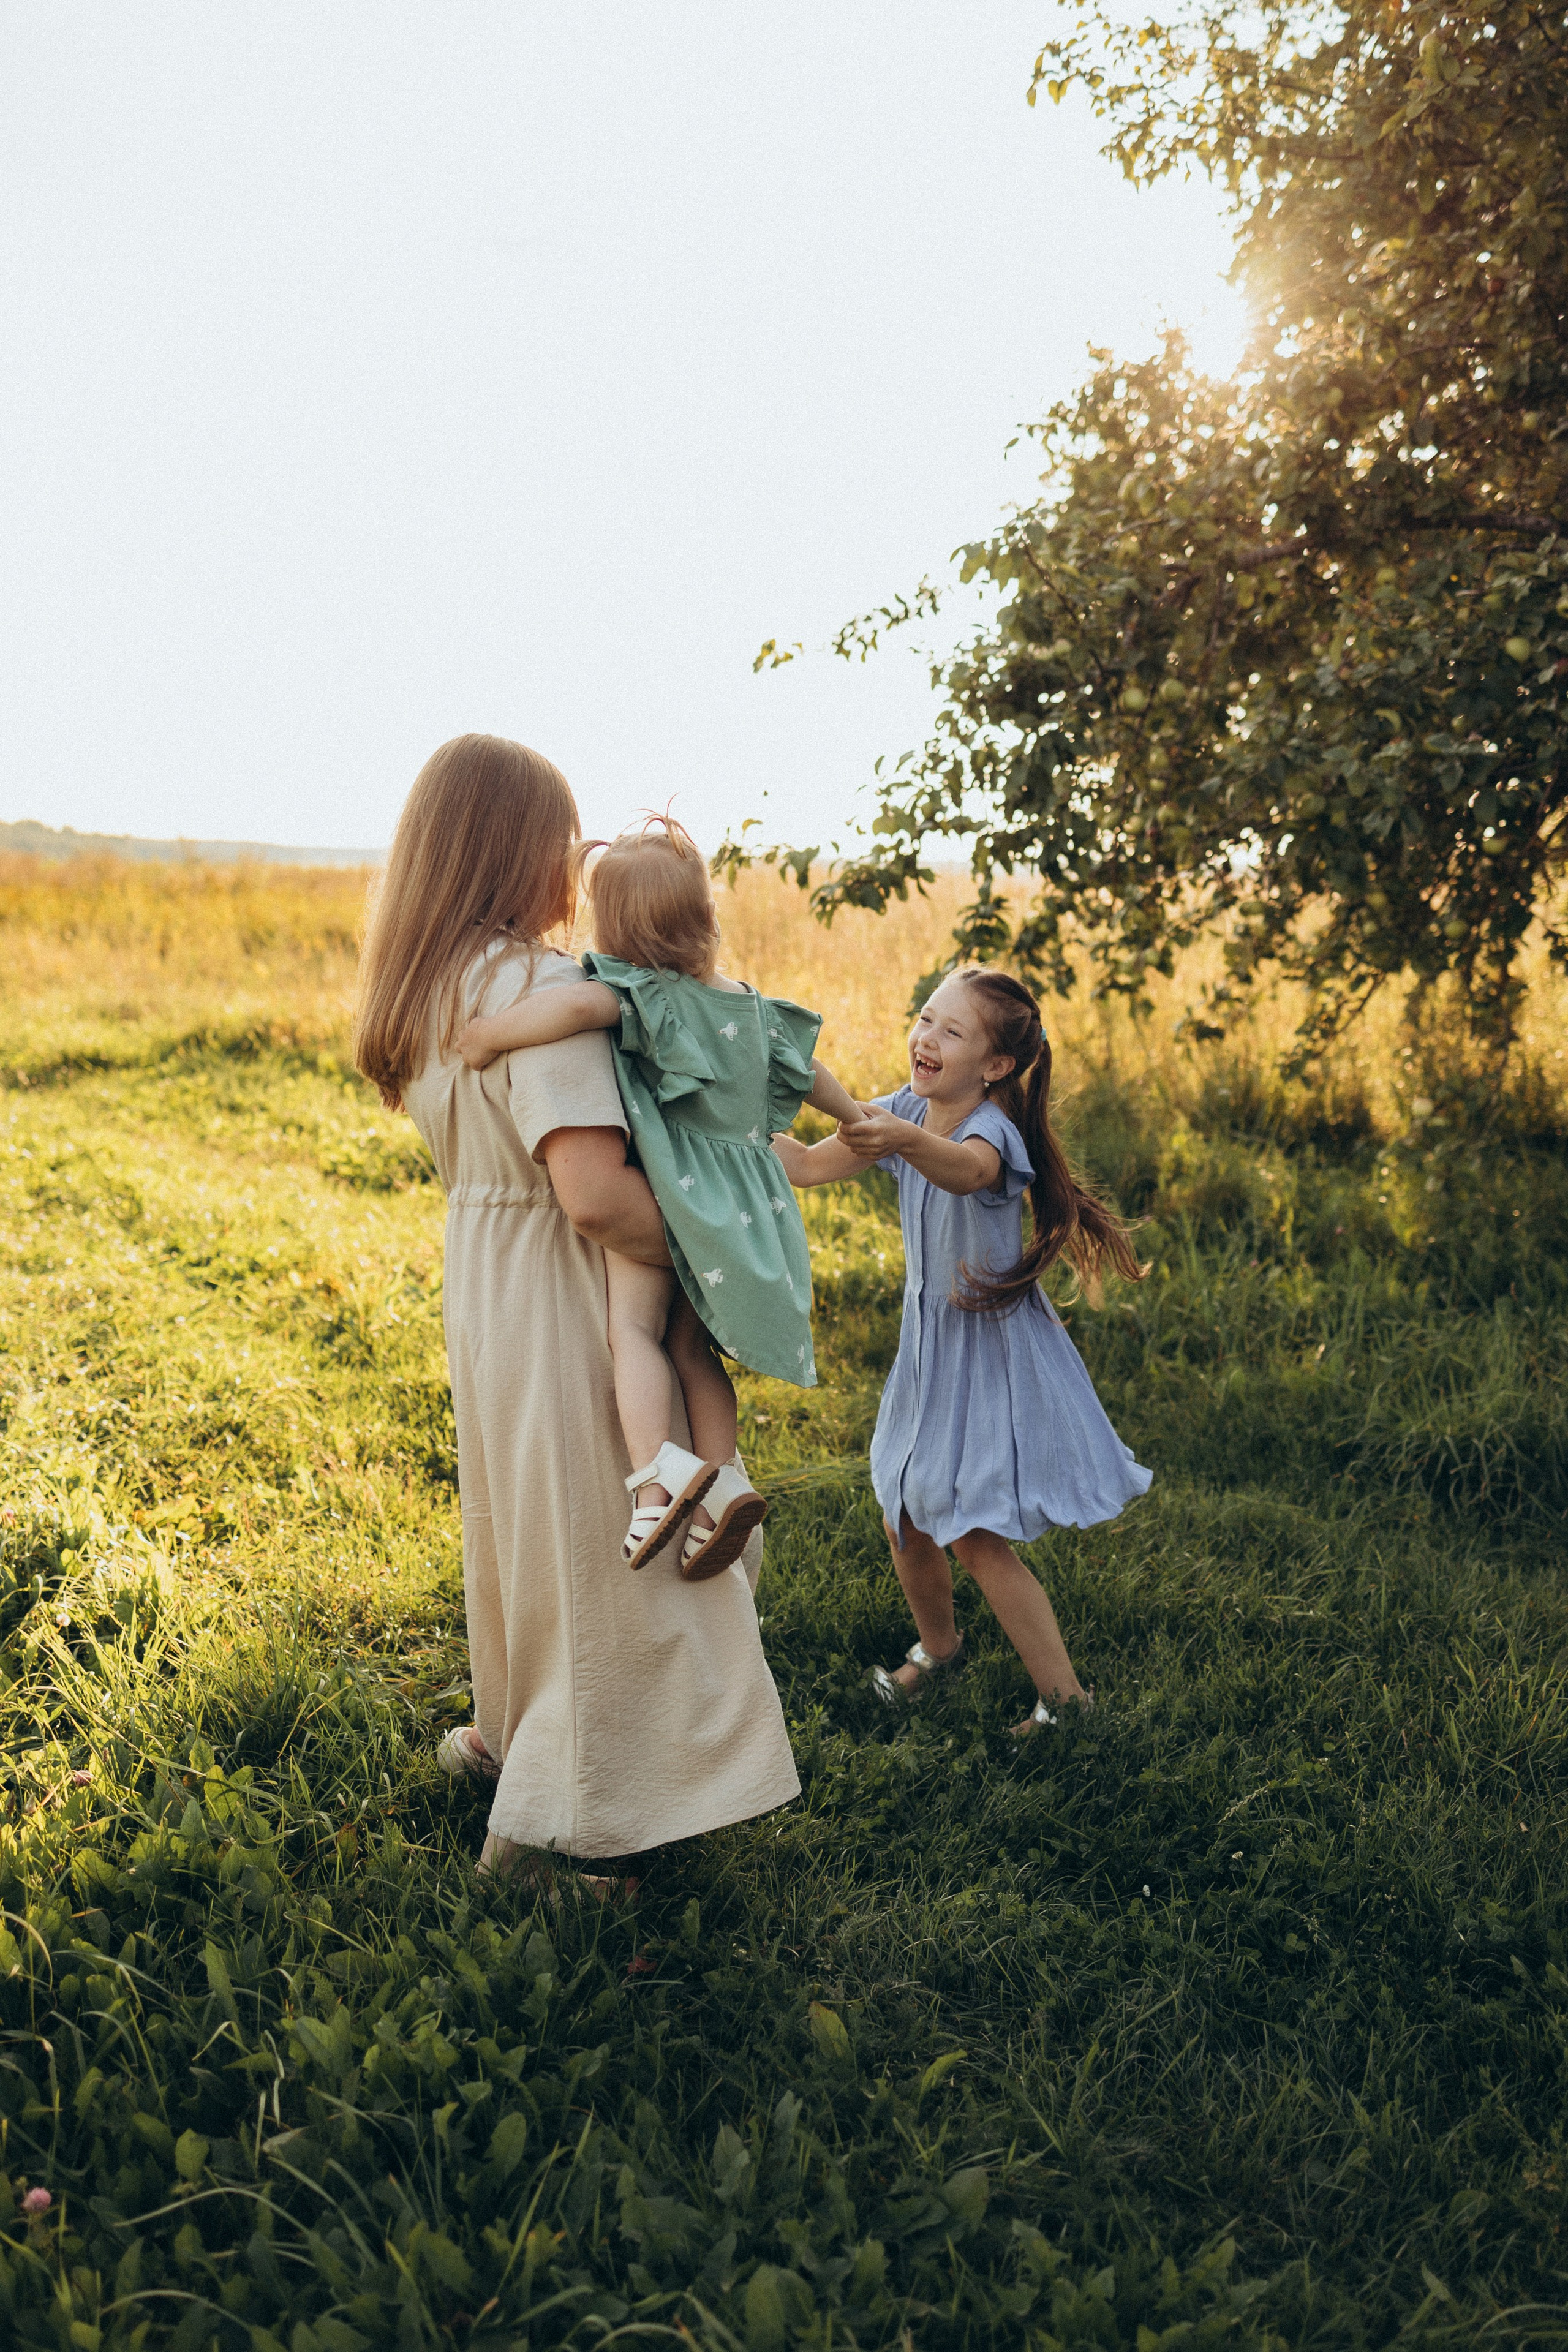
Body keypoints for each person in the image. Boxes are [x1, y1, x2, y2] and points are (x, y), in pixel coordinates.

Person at [353, 736, 799, 1884]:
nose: (576, 853)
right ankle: (575, 1829)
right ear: (511, 847)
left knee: (525, 1527)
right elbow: (597, 1199)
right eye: (561, 832)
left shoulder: (433, 984)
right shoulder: (544, 989)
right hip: (563, 1284)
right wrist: (730, 1239)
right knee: (619, 1570)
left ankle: (513, 1734)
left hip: (485, 1274)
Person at [458, 816, 865, 1578]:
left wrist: (492, 1036)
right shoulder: (748, 1005)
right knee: (693, 1347)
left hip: (672, 1194)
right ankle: (728, 1476)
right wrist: (855, 1118)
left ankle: (659, 1477)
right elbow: (808, 1072)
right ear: (707, 920)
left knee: (636, 1336)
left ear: (612, 934)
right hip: (745, 1209)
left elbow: (574, 1010)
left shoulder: (642, 994)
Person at [772, 965, 1150, 1735]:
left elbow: (963, 1173)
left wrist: (900, 1135)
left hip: (988, 1354)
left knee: (972, 1531)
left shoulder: (988, 1132)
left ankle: (1067, 1704)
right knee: (903, 1515)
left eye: (951, 1031)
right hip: (927, 1350)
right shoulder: (909, 1107)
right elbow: (808, 1166)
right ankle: (941, 1652)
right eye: (924, 1018)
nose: (926, 1037)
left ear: (996, 1066)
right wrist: (733, 1134)